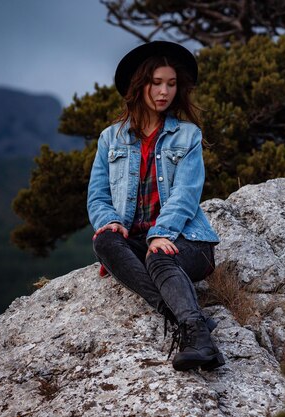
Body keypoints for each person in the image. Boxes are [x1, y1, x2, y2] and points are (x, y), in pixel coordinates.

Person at [87, 41, 225, 372]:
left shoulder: (188, 135)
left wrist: (159, 235)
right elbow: (97, 195)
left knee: (159, 256)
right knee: (104, 241)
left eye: (172, 84)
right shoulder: (111, 138)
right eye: (157, 83)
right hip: (135, 239)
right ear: (140, 85)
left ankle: (196, 336)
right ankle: (191, 320)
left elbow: (186, 194)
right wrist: (109, 221)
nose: (164, 92)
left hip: (187, 240)